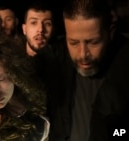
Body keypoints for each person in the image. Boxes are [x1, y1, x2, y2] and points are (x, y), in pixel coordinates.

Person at [48, 0, 129, 140]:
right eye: (73, 42)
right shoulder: (54, 59)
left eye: (93, 42)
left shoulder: (125, 62)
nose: (82, 54)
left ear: (110, 32)